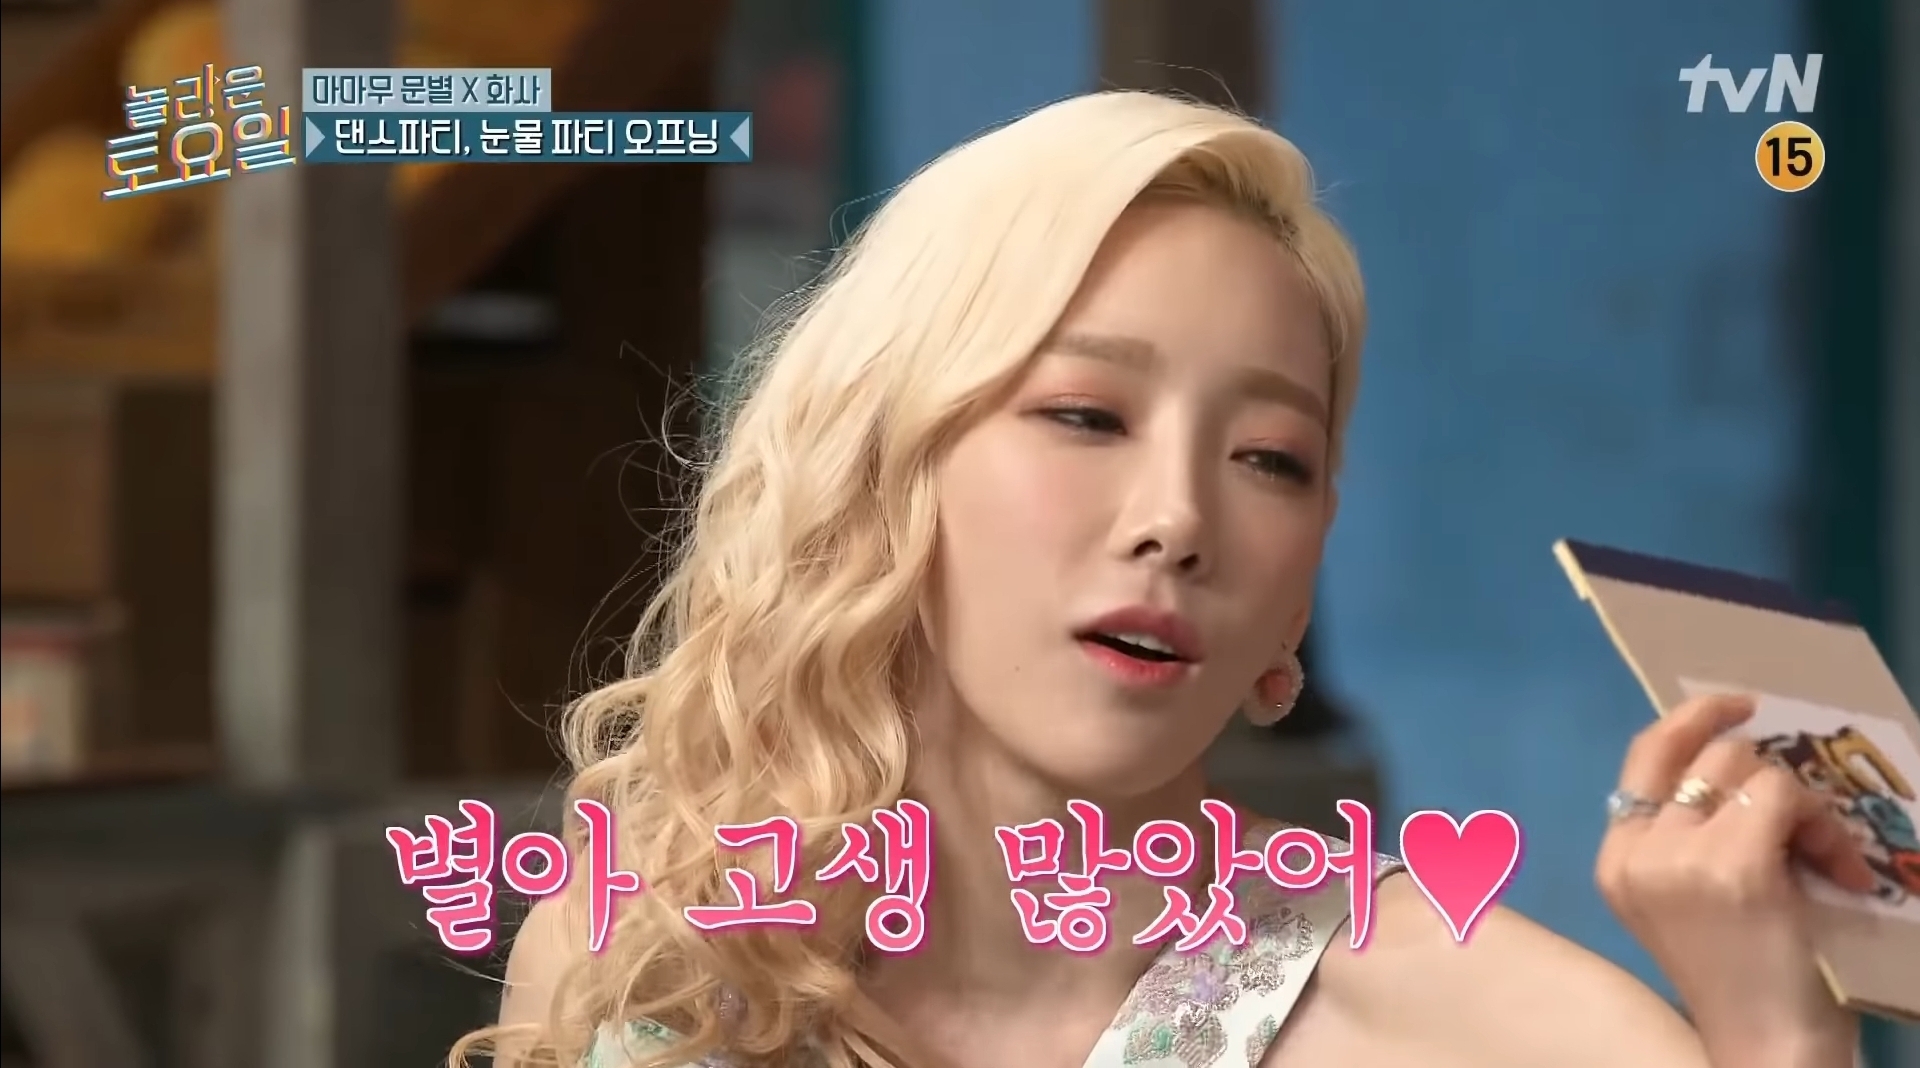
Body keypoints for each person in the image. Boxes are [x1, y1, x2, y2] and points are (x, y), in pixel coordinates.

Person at [455, 91, 1881, 1068]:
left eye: (1270, 458)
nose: (1180, 520)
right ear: (878, 468)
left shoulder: (1482, 1028)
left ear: (1301, 589)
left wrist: (1780, 1035)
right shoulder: (637, 957)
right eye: (1087, 417)